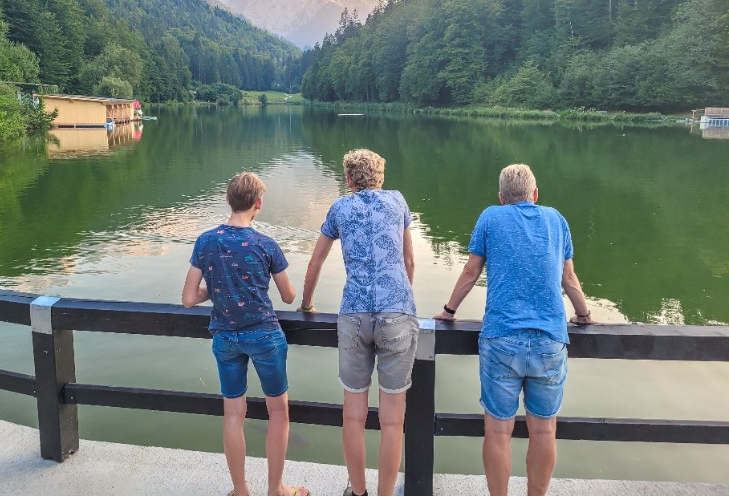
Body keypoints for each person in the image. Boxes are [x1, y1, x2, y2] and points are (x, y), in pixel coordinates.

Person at [434, 163, 594, 496]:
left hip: (502, 338)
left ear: (502, 197)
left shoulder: (491, 217)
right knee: (545, 431)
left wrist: (450, 310)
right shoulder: (556, 219)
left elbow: (470, 271)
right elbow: (568, 277)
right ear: (535, 195)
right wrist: (583, 314)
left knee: (496, 431)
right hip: (550, 339)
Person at [181, 172, 309, 496]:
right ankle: (276, 489)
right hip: (265, 336)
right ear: (258, 204)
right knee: (278, 412)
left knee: (233, 415)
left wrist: (219, 286)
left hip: (225, 339)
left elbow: (188, 298)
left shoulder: (206, 241)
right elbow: (289, 296)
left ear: (228, 199)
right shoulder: (266, 245)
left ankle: (240, 490)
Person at [300, 149, 418, 496]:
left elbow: (316, 262)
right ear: (380, 177)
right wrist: (402, 297)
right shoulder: (397, 202)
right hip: (396, 311)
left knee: (353, 413)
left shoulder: (340, 208)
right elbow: (409, 260)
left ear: (349, 180)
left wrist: (307, 302)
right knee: (393, 418)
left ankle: (359, 492)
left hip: (353, 314)